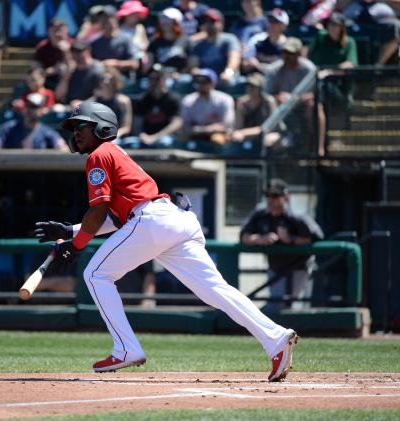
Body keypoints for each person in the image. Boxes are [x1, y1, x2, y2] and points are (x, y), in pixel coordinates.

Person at [33, 101, 298, 380]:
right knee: (216, 290)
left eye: (81, 125)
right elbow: (117, 220)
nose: (75, 132)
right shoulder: (114, 153)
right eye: (73, 127)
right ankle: (275, 338)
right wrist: (70, 231)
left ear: (102, 126)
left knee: (96, 274)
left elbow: (99, 213)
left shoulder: (99, 155)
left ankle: (126, 348)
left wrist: (76, 246)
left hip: (153, 220)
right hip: (173, 221)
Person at [240, 178, 324, 310]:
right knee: (277, 305)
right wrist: (259, 239)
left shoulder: (296, 216)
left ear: (286, 197)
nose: (270, 199)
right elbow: (244, 236)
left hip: (299, 267)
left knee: (294, 306)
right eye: (267, 195)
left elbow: (317, 237)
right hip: (276, 267)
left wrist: (291, 239)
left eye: (275, 196)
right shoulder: (261, 213)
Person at [309, 12, 358, 155]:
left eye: (336, 25)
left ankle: (321, 146)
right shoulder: (321, 37)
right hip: (316, 84)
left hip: (338, 89)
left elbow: (350, 65)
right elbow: (308, 56)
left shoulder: (349, 42)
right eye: (330, 24)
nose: (332, 27)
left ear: (342, 27)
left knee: (323, 88)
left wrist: (329, 72)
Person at [265, 38, 322, 152]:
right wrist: (279, 97)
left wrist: (294, 98)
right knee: (270, 102)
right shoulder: (274, 69)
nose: (287, 56)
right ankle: (277, 137)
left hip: (303, 105)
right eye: (284, 53)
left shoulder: (309, 69)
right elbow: (268, 94)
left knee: (315, 106)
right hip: (282, 107)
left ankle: (318, 147)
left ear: (299, 54)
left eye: (291, 53)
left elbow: (315, 94)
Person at [0, 93, 67, 150]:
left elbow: (63, 150)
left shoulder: (47, 132)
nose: (29, 109)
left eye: (34, 107)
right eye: (27, 105)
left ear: (42, 110)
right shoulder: (9, 128)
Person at [180, 68, 235, 144]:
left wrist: (211, 130)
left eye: (205, 81)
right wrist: (207, 129)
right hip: (195, 134)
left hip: (216, 134)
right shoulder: (188, 100)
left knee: (218, 139)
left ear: (213, 83)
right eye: (198, 81)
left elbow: (227, 126)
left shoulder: (225, 99)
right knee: (182, 137)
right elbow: (186, 127)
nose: (201, 85)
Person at [187, 8, 242, 84]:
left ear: (221, 23)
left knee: (230, 82)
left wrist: (228, 73)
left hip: (225, 79)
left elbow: (234, 59)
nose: (208, 24)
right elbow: (193, 66)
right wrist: (196, 72)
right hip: (206, 81)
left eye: (212, 21)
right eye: (205, 21)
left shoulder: (229, 39)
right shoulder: (198, 45)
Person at [132, 65, 182, 146]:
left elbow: (176, 124)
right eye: (151, 79)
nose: (154, 82)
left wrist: (155, 137)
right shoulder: (142, 99)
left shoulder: (173, 99)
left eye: (157, 78)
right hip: (145, 137)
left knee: (164, 142)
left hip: (165, 137)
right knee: (131, 143)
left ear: (165, 79)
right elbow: (137, 124)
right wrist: (141, 135)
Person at [230, 72, 280, 148]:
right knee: (234, 138)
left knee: (270, 139)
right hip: (247, 135)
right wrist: (239, 134)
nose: (250, 88)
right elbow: (238, 126)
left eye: (253, 86)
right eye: (248, 85)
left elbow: (269, 127)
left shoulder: (269, 102)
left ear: (260, 88)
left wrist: (243, 133)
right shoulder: (241, 103)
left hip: (266, 134)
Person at [90, 5, 139, 75]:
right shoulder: (94, 42)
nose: (104, 21)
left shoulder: (125, 38)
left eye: (107, 17)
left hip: (125, 80)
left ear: (116, 18)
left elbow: (135, 64)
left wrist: (116, 64)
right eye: (101, 18)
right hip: (105, 81)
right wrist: (101, 65)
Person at [55, 39, 105, 107]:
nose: (75, 54)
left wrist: (83, 104)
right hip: (69, 107)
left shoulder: (97, 69)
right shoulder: (70, 69)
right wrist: (66, 76)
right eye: (73, 51)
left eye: (79, 51)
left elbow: (101, 95)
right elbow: (59, 95)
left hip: (90, 108)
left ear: (88, 51)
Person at [242, 9, 289, 74]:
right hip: (257, 79)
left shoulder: (288, 45)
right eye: (270, 21)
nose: (271, 24)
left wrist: (259, 66)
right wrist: (249, 63)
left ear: (284, 26)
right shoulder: (257, 39)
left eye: (275, 22)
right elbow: (244, 64)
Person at [90, 67, 132, 138]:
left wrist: (114, 136)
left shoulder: (124, 102)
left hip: (117, 138)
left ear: (115, 82)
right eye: (103, 79)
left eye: (110, 79)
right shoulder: (93, 102)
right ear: (99, 82)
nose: (106, 82)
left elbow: (126, 128)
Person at [145, 7, 190, 73]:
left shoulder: (186, 40)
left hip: (180, 78)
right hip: (159, 77)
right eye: (162, 19)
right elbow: (148, 66)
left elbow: (191, 64)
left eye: (168, 19)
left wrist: (179, 74)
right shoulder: (154, 41)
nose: (164, 22)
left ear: (176, 22)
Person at [33, 18, 73, 87]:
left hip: (71, 81)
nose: (58, 34)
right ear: (49, 31)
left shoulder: (74, 45)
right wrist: (52, 71)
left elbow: (75, 67)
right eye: (54, 31)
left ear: (67, 31)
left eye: (60, 30)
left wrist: (67, 52)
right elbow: (36, 71)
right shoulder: (42, 47)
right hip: (48, 82)